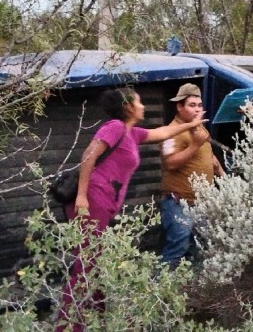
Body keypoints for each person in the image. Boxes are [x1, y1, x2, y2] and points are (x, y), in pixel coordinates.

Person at [56, 87, 207, 332]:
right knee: (85, 266)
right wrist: (82, 196)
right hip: (91, 201)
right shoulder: (114, 127)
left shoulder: (132, 133)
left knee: (96, 262)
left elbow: (163, 131)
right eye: (139, 101)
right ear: (128, 106)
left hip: (104, 204)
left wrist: (192, 125)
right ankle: (68, 327)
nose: (144, 106)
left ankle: (97, 319)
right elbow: (88, 156)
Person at [159, 83, 224, 269]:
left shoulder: (200, 129)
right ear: (179, 107)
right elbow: (170, 163)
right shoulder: (172, 131)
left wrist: (223, 176)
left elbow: (209, 156)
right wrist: (194, 145)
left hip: (202, 201)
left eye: (199, 105)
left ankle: (194, 294)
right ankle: (156, 292)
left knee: (203, 249)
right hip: (179, 202)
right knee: (177, 249)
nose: (197, 109)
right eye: (192, 105)